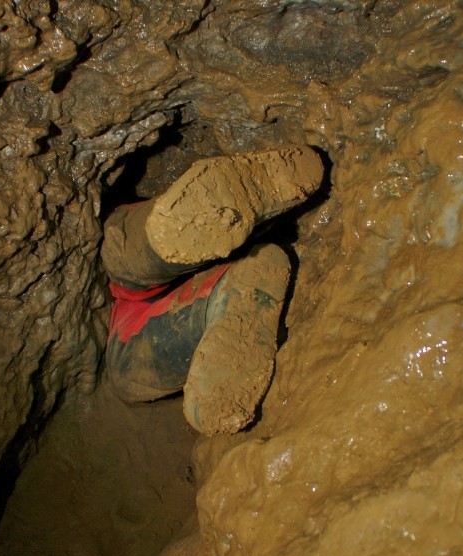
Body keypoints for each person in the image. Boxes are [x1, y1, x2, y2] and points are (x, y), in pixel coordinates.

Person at [101, 146, 324, 436]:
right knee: (120, 256)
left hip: (143, 300)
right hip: (145, 282)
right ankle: (169, 237)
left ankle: (205, 257)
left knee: (124, 374)